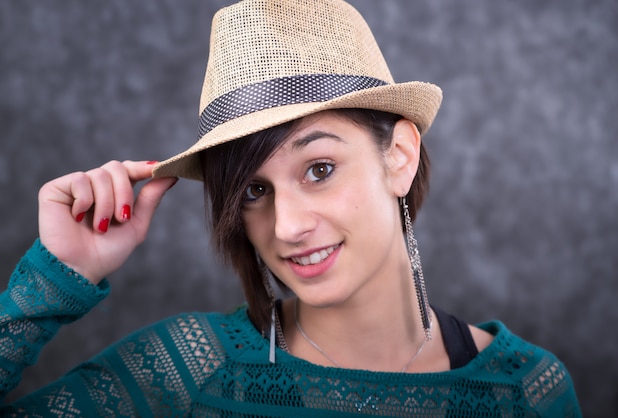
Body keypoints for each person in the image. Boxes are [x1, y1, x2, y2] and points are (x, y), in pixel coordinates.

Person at [0, 0, 582, 416]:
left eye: (319, 170)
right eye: (254, 191)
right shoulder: (186, 371)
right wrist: (56, 278)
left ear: (399, 156)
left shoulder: (527, 390)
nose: (287, 226)